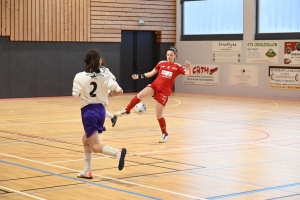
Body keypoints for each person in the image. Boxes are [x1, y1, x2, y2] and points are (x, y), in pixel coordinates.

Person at [115, 47, 192, 143]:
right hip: (155, 86)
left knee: (158, 115)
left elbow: (189, 73)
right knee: (140, 95)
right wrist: (139, 76)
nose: (169, 57)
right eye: (167, 55)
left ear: (175, 56)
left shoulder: (177, 67)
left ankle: (165, 134)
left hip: (164, 92)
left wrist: (189, 66)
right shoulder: (161, 63)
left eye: (171, 55)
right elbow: (151, 74)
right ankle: (127, 110)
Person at [72, 50, 127, 179]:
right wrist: (108, 94)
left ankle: (117, 153)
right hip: (101, 111)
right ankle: (87, 171)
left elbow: (75, 95)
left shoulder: (79, 76)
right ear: (99, 62)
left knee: (95, 146)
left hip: (88, 111)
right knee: (86, 141)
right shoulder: (106, 76)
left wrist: (84, 93)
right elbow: (120, 91)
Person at [99, 58, 118, 131]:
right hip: (99, 91)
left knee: (100, 108)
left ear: (101, 61)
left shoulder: (105, 70)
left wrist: (108, 83)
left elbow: (114, 78)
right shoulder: (93, 70)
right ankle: (112, 117)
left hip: (105, 90)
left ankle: (102, 125)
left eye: (99, 60)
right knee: (100, 108)